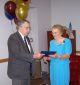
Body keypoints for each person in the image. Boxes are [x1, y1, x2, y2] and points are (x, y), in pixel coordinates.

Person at [7, 20, 43, 85]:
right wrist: (34, 56)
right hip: (18, 73)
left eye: (29, 28)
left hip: (27, 72)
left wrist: (36, 56)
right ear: (20, 27)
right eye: (27, 28)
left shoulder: (27, 38)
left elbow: (28, 52)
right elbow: (17, 54)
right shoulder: (13, 38)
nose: (29, 30)